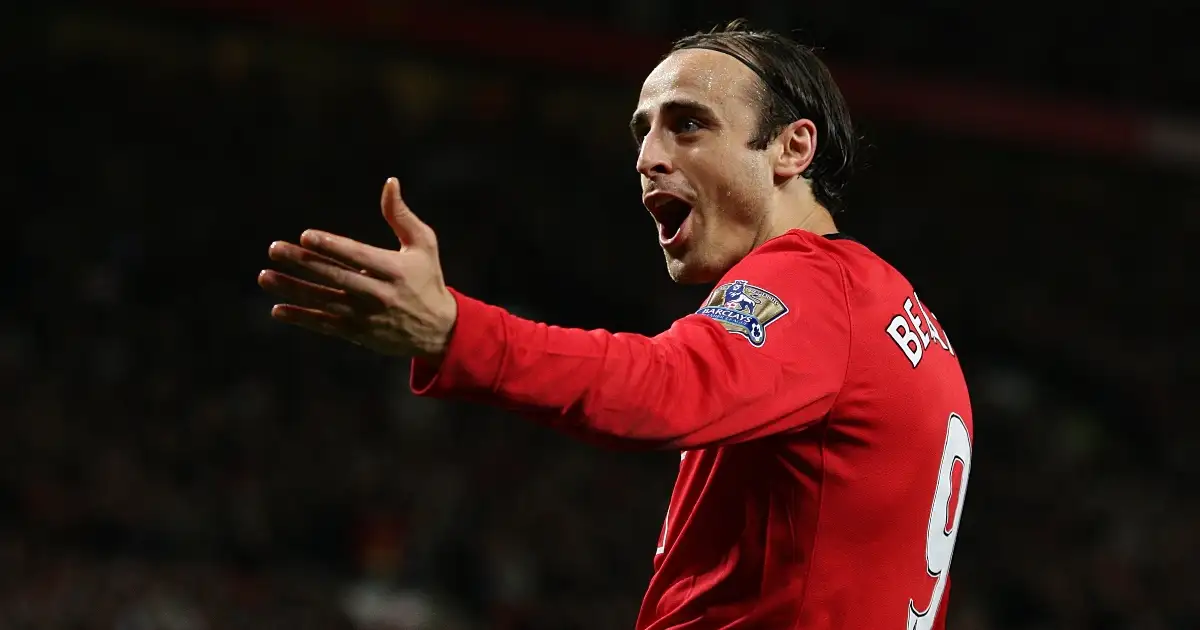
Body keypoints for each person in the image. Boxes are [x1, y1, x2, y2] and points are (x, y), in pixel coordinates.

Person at [259, 21, 973, 630]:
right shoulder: (892, 314)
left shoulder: (812, 284)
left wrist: (455, 331)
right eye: (643, 131)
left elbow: (662, 388)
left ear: (791, 149)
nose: (647, 158)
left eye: (689, 123)